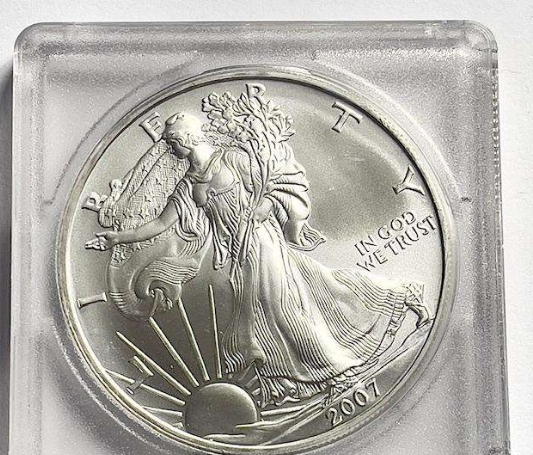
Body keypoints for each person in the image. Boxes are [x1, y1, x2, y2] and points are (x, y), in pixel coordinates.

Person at [93, 113, 431, 406]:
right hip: (238, 256)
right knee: (314, 293)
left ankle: (339, 374)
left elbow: (279, 183)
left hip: (262, 242)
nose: (170, 149)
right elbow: (160, 224)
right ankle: (397, 298)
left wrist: (265, 207)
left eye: (172, 142)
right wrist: (118, 237)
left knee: (281, 310)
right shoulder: (188, 184)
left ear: (188, 138)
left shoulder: (233, 159)